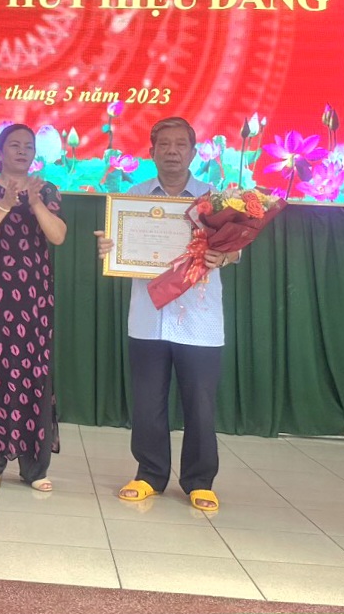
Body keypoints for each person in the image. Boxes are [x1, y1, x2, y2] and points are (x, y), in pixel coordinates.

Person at [96, 116, 238, 512]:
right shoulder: (134, 196)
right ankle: (149, 475)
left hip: (200, 319)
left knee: (200, 405)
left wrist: (224, 256)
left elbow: (236, 249)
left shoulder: (215, 198)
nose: (172, 151)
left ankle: (199, 481)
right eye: (164, 145)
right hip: (148, 318)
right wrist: (111, 248)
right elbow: (122, 247)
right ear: (151, 151)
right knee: (147, 403)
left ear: (193, 152)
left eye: (180, 145)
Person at [0, 123, 67, 491]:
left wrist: (35, 202)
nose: (22, 151)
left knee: (34, 375)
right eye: (14, 145)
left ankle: (34, 468)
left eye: (28, 146)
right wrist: (5, 204)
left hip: (35, 298)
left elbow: (57, 236)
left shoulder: (47, 190)